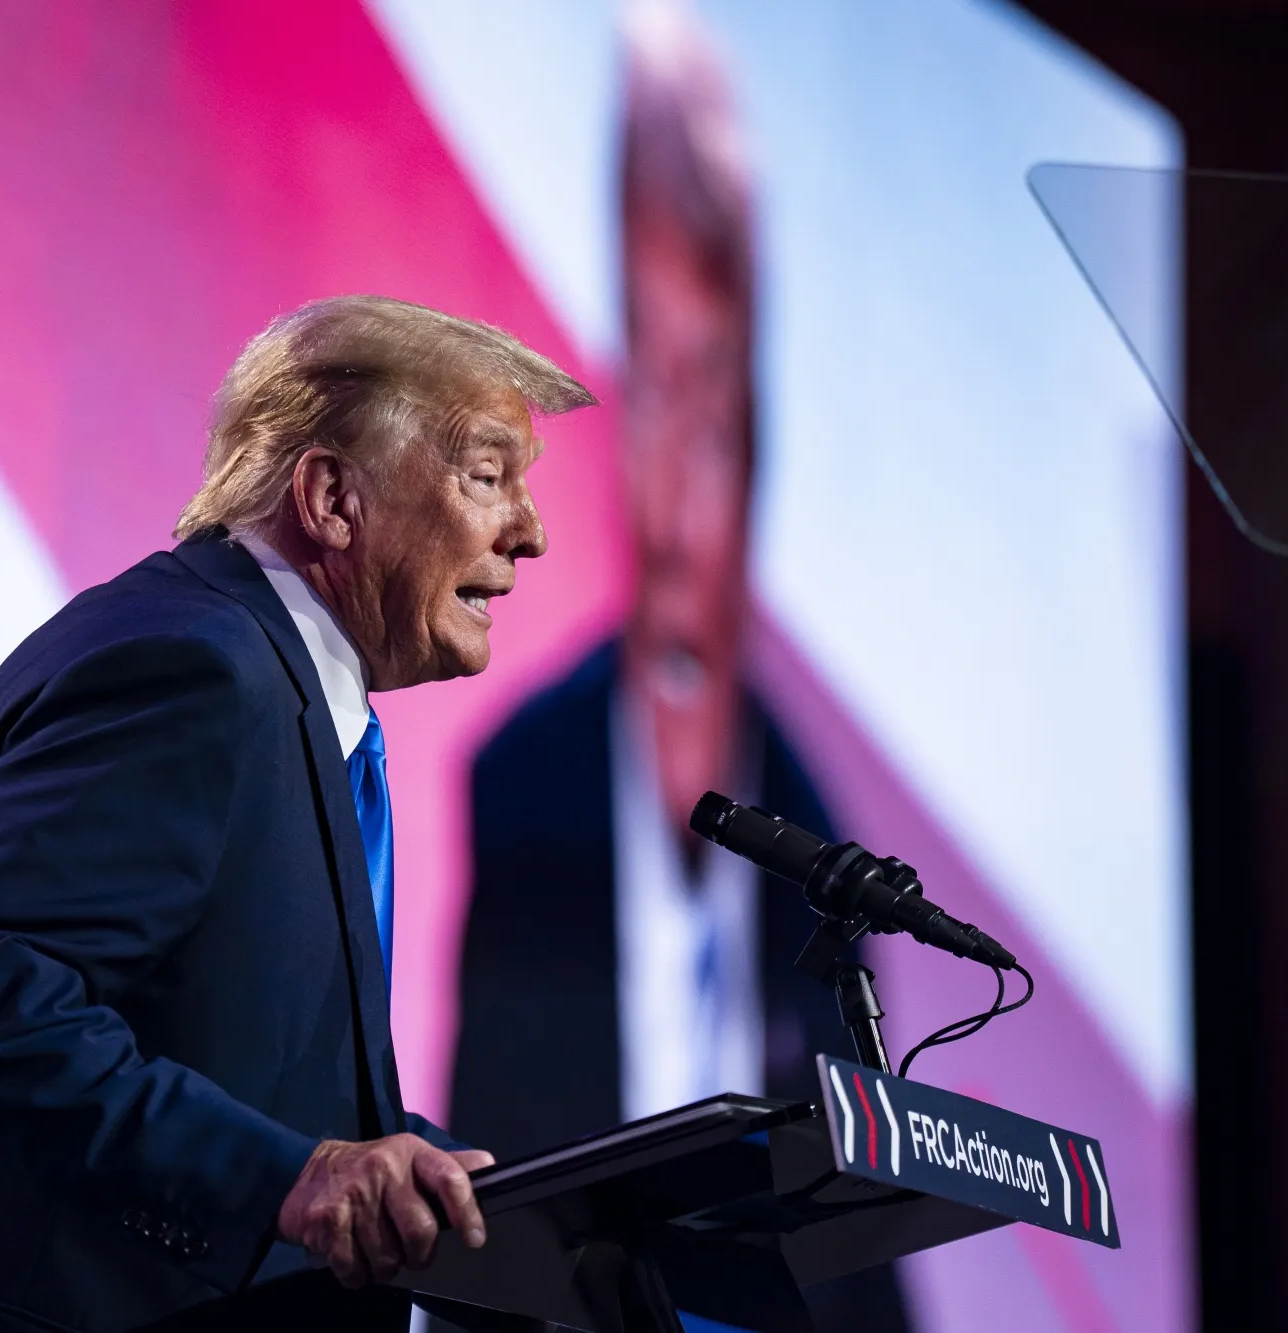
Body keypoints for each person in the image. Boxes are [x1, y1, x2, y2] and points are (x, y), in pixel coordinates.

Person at [0, 295, 595, 1333]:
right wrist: (289, 1175)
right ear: (331, 497)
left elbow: (221, 1057)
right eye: (486, 476)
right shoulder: (196, 670)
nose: (531, 532)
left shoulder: (276, 692)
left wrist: (424, 1178)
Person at [448, 15, 910, 1329]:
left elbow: (874, 1268)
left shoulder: (823, 842)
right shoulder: (522, 784)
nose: (668, 489)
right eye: (643, 395)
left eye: (704, 405)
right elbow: (485, 1219)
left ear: (760, 438)